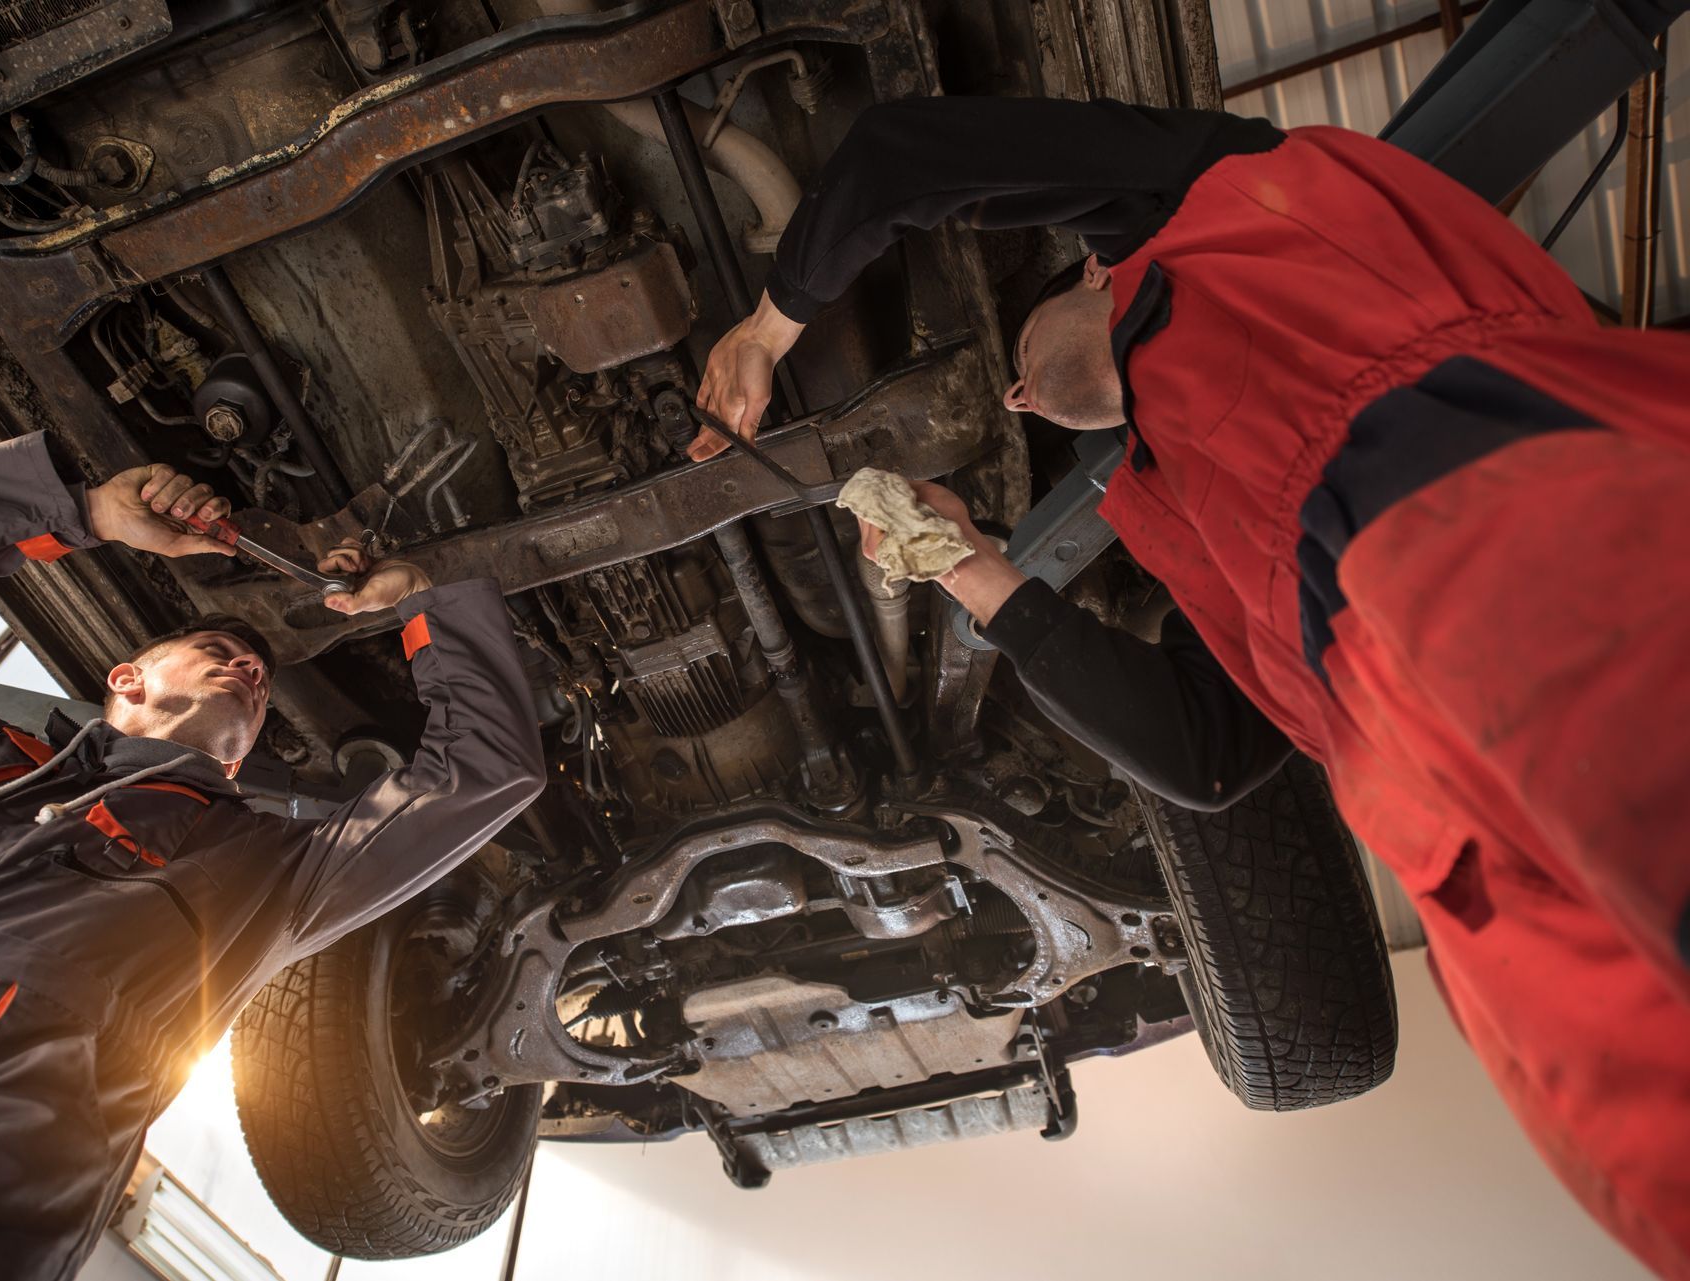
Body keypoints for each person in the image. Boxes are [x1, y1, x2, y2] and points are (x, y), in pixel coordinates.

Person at [698, 96, 1690, 1279]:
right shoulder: (1188, 527)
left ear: (1085, 270)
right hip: (1462, 856)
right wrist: (965, 566)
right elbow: (1203, 760)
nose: (1017, 395)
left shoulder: (1221, 205)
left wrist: (766, 329)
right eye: (1016, 394)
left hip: (1508, 532)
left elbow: (903, 156)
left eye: (1017, 366)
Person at [0, 433, 545, 1280]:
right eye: (219, 650)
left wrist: (424, 601)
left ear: (242, 760)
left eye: (255, 676)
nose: (251, 664)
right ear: (127, 677)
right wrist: (91, 511)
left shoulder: (262, 879)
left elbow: (482, 770)